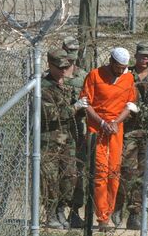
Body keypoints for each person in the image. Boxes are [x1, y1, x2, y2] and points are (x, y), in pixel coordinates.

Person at [80, 47, 138, 231]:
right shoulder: (95, 75)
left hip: (115, 129)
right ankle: (102, 218)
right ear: (111, 61)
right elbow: (85, 103)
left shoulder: (128, 78)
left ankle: (110, 211)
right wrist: (102, 122)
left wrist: (115, 122)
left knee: (114, 173)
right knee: (100, 173)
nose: (121, 71)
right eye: (119, 67)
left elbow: (130, 105)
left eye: (124, 67)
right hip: (97, 128)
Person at [41, 49, 89, 229]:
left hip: (68, 139)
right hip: (50, 140)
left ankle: (62, 209)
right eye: (59, 67)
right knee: (50, 179)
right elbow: (50, 114)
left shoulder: (67, 85)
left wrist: (84, 108)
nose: (63, 71)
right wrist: (74, 108)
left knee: (69, 176)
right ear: (50, 65)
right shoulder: (44, 87)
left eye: (66, 67)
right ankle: (51, 214)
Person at [112, 42, 148, 230]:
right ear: (136, 56)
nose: (145, 59)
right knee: (127, 171)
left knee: (143, 174)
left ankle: (135, 214)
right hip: (129, 129)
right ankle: (117, 205)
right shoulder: (126, 74)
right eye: (142, 55)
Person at [62, 36, 88, 228]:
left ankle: (74, 211)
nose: (71, 56)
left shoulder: (83, 76)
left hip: (78, 128)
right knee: (58, 170)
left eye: (74, 52)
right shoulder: (54, 74)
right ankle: (56, 210)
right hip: (58, 129)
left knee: (78, 171)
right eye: (68, 51)